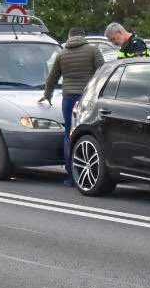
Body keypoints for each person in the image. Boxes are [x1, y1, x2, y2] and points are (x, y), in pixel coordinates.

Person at [41, 27, 105, 178]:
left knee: (69, 133)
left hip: (68, 97)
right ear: (83, 36)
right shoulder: (93, 51)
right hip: (87, 98)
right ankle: (87, 169)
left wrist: (47, 95)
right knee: (88, 132)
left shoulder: (62, 54)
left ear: (69, 37)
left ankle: (71, 174)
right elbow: (103, 72)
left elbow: (52, 78)